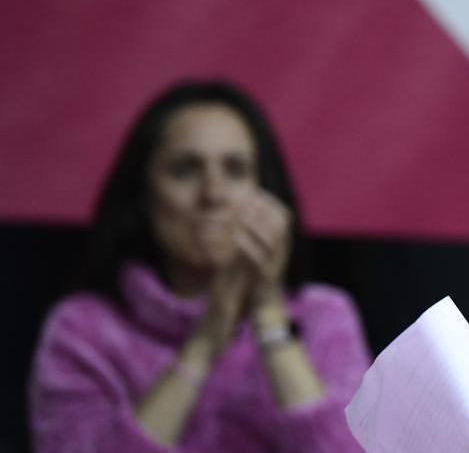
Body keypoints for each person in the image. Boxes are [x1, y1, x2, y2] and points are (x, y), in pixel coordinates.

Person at [29, 81, 371, 452]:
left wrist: (268, 314)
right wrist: (205, 342)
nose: (213, 194)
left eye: (236, 170)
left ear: (266, 192)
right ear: (143, 196)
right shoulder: (85, 329)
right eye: (185, 170)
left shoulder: (323, 316)